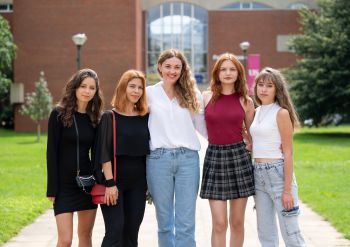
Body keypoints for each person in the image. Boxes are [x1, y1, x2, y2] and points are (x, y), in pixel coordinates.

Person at [146, 48, 206, 247]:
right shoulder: (148, 94)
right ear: (159, 68)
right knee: (164, 222)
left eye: (177, 67)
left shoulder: (192, 94)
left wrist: (234, 141)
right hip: (157, 161)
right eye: (168, 66)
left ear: (183, 70)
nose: (172, 71)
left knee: (186, 222)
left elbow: (203, 128)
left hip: (187, 160)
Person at [199, 53, 255, 247]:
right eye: (223, 69)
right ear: (217, 73)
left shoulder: (246, 101)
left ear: (239, 73)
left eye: (232, 69)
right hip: (214, 157)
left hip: (239, 158)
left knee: (237, 222)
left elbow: (254, 133)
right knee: (220, 223)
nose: (228, 73)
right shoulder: (205, 97)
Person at [46, 68, 103, 247]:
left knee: (85, 236)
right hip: (63, 186)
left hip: (86, 184)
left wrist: (99, 181)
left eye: (91, 88)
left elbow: (97, 155)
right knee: (65, 240)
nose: (87, 91)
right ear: (75, 87)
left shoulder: (95, 118)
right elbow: (51, 152)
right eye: (83, 86)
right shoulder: (58, 114)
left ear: (95, 92)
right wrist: (52, 188)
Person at [250, 67, 306, 246]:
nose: (263, 89)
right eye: (260, 84)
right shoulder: (257, 112)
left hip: (278, 174)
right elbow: (257, 141)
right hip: (258, 175)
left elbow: (288, 153)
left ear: (277, 89)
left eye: (269, 85)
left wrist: (287, 190)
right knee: (265, 234)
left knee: (291, 233)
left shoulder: (281, 113)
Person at [94, 69, 150, 247]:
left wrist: (149, 184)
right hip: (115, 181)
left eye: (140, 88)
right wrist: (110, 184)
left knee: (132, 232)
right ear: (123, 88)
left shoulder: (144, 117)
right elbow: (104, 152)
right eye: (132, 86)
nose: (136, 91)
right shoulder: (109, 117)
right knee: (115, 231)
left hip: (139, 183)